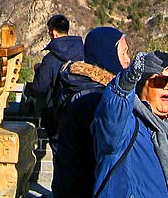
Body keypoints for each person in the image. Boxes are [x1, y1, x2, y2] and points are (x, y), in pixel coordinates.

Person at [66, 40, 168, 198]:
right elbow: (112, 119)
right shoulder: (128, 125)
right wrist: (125, 84)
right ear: (142, 86)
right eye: (160, 80)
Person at [50, 26, 128, 198]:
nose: (128, 60)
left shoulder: (80, 87)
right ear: (107, 55)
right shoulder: (94, 99)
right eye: (123, 54)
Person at [27, 15, 98, 155]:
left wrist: (39, 70)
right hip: (82, 112)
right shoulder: (84, 54)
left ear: (53, 33)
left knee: (61, 158)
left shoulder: (50, 59)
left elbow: (39, 87)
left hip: (57, 118)